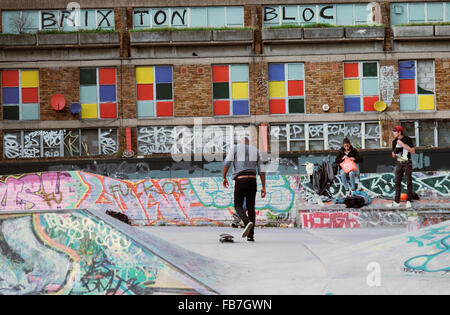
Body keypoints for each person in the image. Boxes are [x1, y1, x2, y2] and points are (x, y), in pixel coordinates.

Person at [223, 136, 266, 242]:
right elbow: (261, 169)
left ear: (241, 143)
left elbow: (227, 163)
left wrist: (224, 177)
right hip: (252, 180)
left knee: (237, 204)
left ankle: (246, 222)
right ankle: (251, 236)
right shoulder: (255, 150)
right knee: (251, 208)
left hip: (241, 180)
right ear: (248, 143)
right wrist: (264, 186)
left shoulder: (235, 148)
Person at [388, 125, 415, 208]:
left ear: (399, 132)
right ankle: (397, 201)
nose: (393, 133)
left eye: (395, 131)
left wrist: (403, 145)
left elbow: (413, 151)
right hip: (399, 163)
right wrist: (394, 152)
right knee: (397, 182)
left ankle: (408, 201)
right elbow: (393, 155)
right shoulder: (394, 141)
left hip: (407, 162)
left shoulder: (407, 139)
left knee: (408, 182)